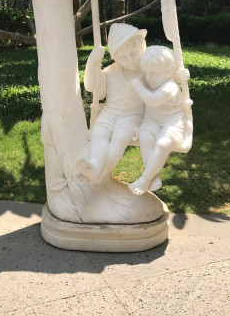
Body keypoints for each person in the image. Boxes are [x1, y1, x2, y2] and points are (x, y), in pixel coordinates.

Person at [76, 23, 147, 184]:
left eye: (133, 53)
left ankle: (99, 173)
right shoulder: (111, 72)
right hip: (109, 113)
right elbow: (91, 86)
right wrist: (92, 62)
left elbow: (163, 80)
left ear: (141, 48)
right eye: (123, 56)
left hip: (132, 116)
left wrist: (178, 75)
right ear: (116, 57)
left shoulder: (146, 71)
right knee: (99, 133)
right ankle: (94, 165)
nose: (130, 60)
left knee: (119, 139)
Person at [128, 45, 190, 195]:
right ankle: (154, 175)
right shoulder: (151, 80)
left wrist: (137, 86)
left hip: (173, 123)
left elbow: (152, 99)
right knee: (145, 137)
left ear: (168, 72)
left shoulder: (170, 87)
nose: (149, 78)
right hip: (152, 121)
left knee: (163, 144)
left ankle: (145, 178)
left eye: (154, 73)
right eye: (146, 73)